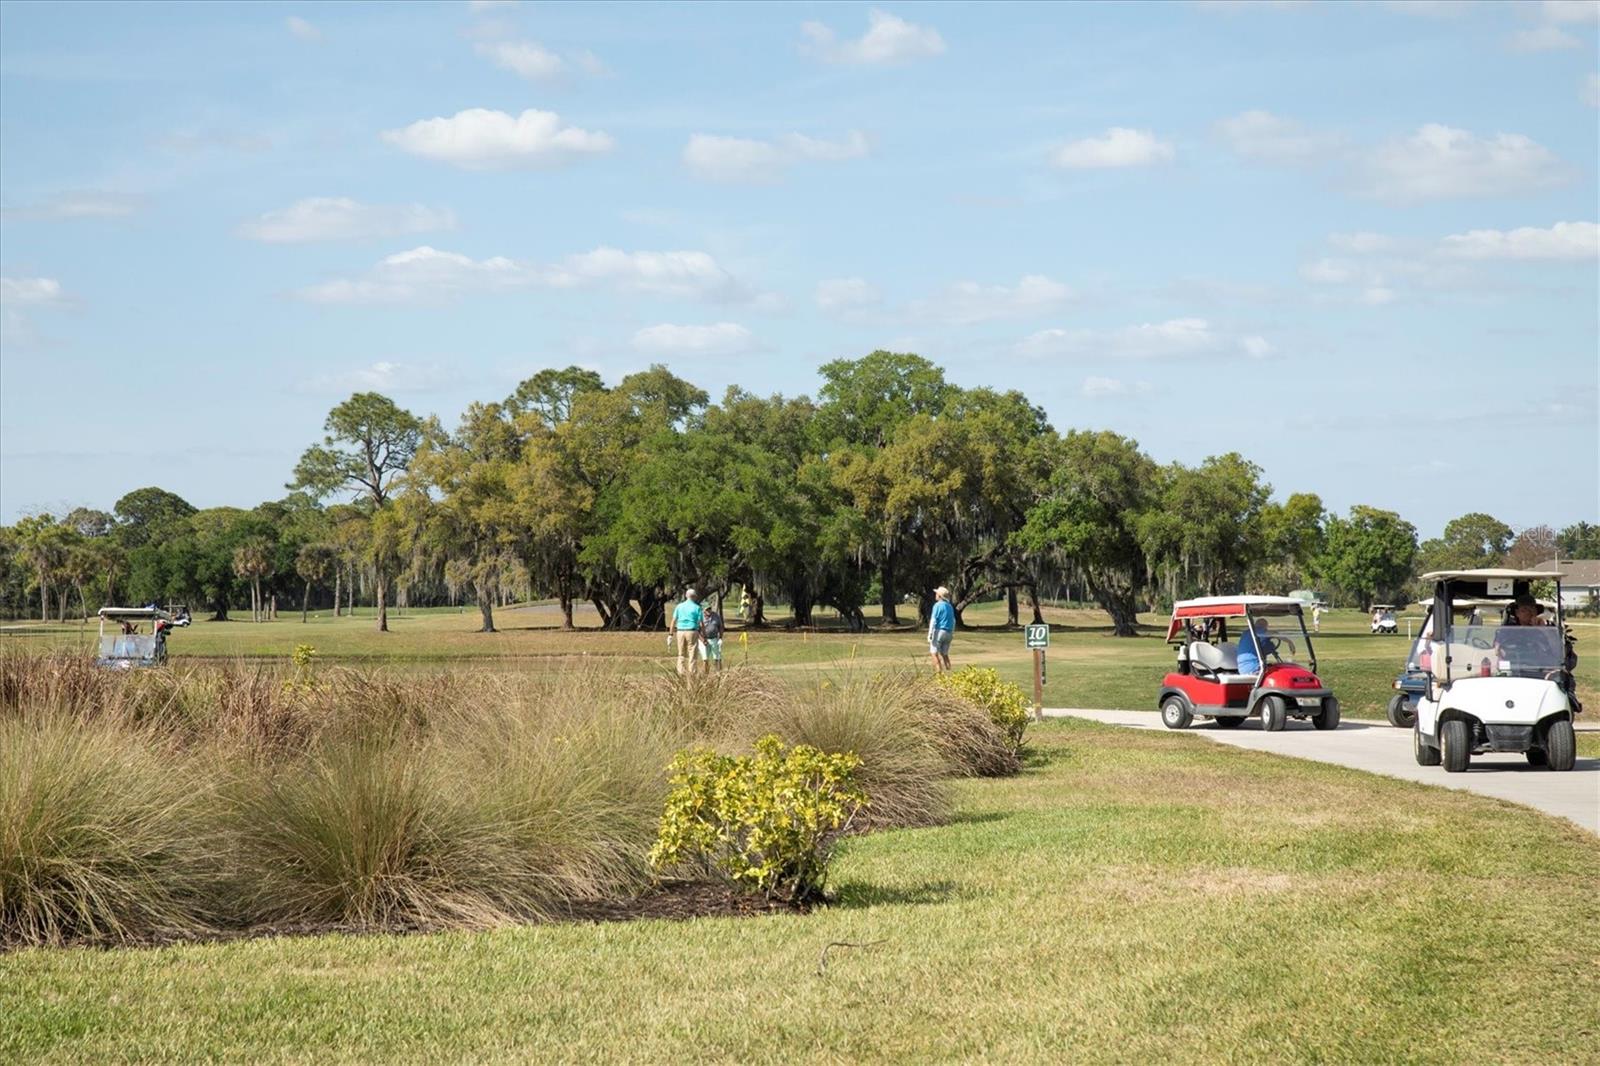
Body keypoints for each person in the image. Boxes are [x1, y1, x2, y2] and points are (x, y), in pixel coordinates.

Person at [671, 588, 704, 677]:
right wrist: (704, 635)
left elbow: (673, 620)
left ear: (686, 596)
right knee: (692, 652)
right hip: (692, 631)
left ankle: (681, 672)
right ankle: (692, 673)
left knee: (681, 653)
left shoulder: (679, 606)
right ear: (694, 597)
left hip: (680, 631)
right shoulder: (697, 607)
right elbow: (701, 623)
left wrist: (670, 634)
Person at [927, 586, 955, 673]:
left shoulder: (937, 605)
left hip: (939, 631)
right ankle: (950, 672)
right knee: (945, 654)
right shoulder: (949, 606)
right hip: (949, 632)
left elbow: (933, 620)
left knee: (934, 653)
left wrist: (930, 634)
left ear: (939, 596)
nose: (935, 595)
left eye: (936, 593)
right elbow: (954, 620)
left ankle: (939, 675)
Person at [700, 602, 724, 673]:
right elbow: (697, 630)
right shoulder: (700, 617)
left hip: (714, 639)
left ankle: (719, 674)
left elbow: (720, 627)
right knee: (705, 659)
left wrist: (720, 638)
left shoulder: (715, 615)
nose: (709, 610)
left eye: (710, 608)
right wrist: (703, 640)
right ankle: (705, 675)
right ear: (703, 610)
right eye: (707, 609)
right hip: (703, 640)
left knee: (717, 657)